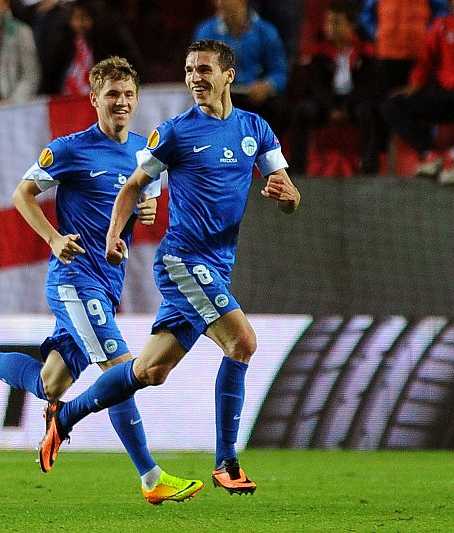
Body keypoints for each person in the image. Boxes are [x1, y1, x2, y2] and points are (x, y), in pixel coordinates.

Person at [0, 56, 204, 505]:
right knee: (122, 370)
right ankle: (151, 479)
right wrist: (53, 238)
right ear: (94, 99)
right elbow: (22, 194)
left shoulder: (144, 152)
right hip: (75, 281)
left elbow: (145, 202)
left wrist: (146, 210)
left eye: (129, 95)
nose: (122, 102)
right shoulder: (71, 148)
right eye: (112, 94)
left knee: (51, 383)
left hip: (107, 285)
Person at [36, 39, 301, 496]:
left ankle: (68, 415)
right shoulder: (174, 132)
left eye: (204, 69)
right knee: (242, 342)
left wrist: (288, 197)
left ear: (228, 75)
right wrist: (114, 235)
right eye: (189, 69)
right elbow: (134, 186)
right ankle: (227, 462)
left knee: (149, 372)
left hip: (218, 266)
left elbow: (291, 195)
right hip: (183, 262)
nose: (195, 78)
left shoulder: (255, 128)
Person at [289, 0, 381, 175]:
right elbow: (316, 86)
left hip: (353, 102)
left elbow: (368, 86)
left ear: (351, 25)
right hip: (326, 104)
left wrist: (345, 107)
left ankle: (369, 167)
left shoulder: (365, 50)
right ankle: (297, 169)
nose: (330, 27)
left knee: (368, 111)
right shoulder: (319, 50)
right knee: (302, 110)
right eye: (328, 22)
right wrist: (331, 107)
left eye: (336, 22)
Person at [194, 0, 289, 138]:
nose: (220, 3)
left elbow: (280, 72)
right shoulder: (206, 31)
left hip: (257, 99)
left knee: (278, 109)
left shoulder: (266, 32)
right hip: (221, 96)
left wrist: (268, 86)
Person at [382, 0, 454, 183]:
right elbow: (425, 61)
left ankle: (452, 158)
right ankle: (430, 155)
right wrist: (415, 84)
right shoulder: (442, 26)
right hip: (445, 95)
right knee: (392, 106)